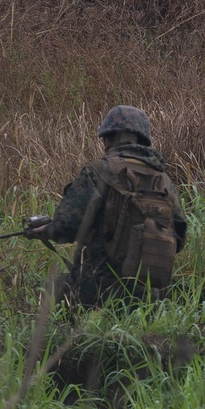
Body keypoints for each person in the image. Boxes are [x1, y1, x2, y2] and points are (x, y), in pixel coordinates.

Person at [29, 105, 186, 308]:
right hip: (148, 296)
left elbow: (66, 228)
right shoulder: (163, 180)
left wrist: (47, 230)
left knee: (49, 292)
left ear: (108, 139)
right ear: (143, 140)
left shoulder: (96, 171)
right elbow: (179, 239)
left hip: (96, 289)